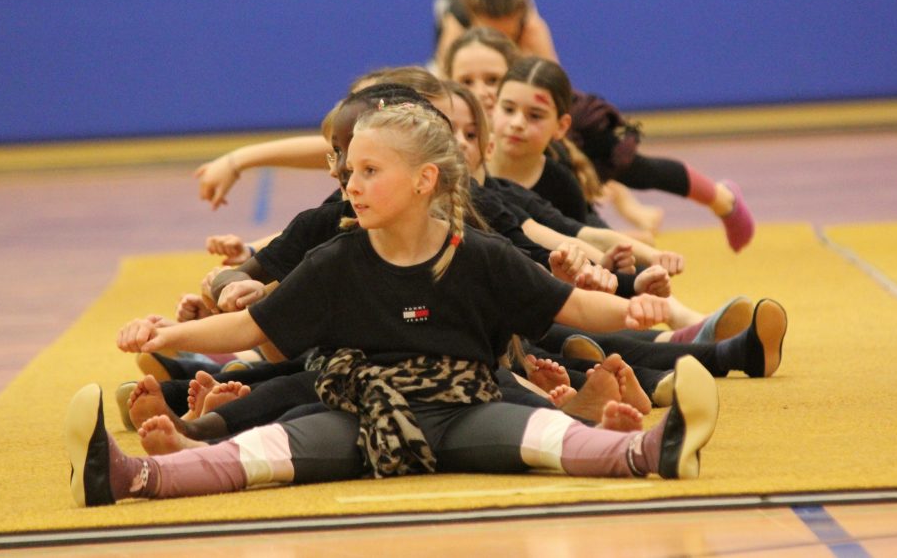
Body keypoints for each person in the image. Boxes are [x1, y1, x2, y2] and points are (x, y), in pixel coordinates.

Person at [66, 103, 720, 508]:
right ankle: (127, 476)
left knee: (551, 436)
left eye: (370, 171)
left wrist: (633, 312)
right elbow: (248, 324)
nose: (351, 183)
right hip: (356, 414)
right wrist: (165, 330)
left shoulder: (481, 255)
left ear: (425, 179)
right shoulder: (336, 262)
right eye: (349, 171)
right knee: (259, 450)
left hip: (468, 408)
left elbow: (575, 307)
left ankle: (651, 451)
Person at [447, 28, 755, 251]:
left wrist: (624, 220)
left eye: (493, 81)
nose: (481, 91)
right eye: (466, 82)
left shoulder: (557, 140)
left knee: (635, 170)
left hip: (566, 159)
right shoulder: (447, 130)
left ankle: (722, 198)